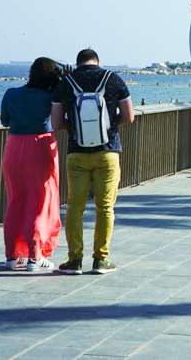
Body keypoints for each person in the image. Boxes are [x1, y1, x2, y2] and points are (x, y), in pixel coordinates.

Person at [51, 49, 134, 275]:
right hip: (107, 152)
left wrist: (78, 127)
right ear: (98, 62)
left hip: (76, 153)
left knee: (75, 207)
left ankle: (74, 260)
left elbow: (56, 123)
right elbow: (129, 117)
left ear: (77, 64)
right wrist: (106, 127)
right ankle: (100, 260)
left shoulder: (66, 83)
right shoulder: (113, 79)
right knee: (105, 207)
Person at [0, 58, 64, 271]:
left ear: (30, 72)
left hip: (14, 146)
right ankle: (35, 258)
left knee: (15, 201)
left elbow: (5, 121)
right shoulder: (51, 96)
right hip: (40, 145)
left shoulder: (11, 93)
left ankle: (12, 257)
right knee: (39, 202)